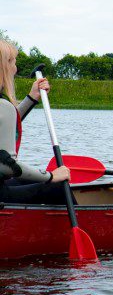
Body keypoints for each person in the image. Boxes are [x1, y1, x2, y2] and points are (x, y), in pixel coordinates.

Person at [0, 39, 71, 204]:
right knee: (58, 186)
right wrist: (51, 176)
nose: (16, 69)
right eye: (14, 62)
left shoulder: (5, 108)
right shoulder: (4, 107)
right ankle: (86, 224)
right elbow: (6, 166)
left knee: (29, 180)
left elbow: (8, 124)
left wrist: (32, 98)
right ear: (5, 67)